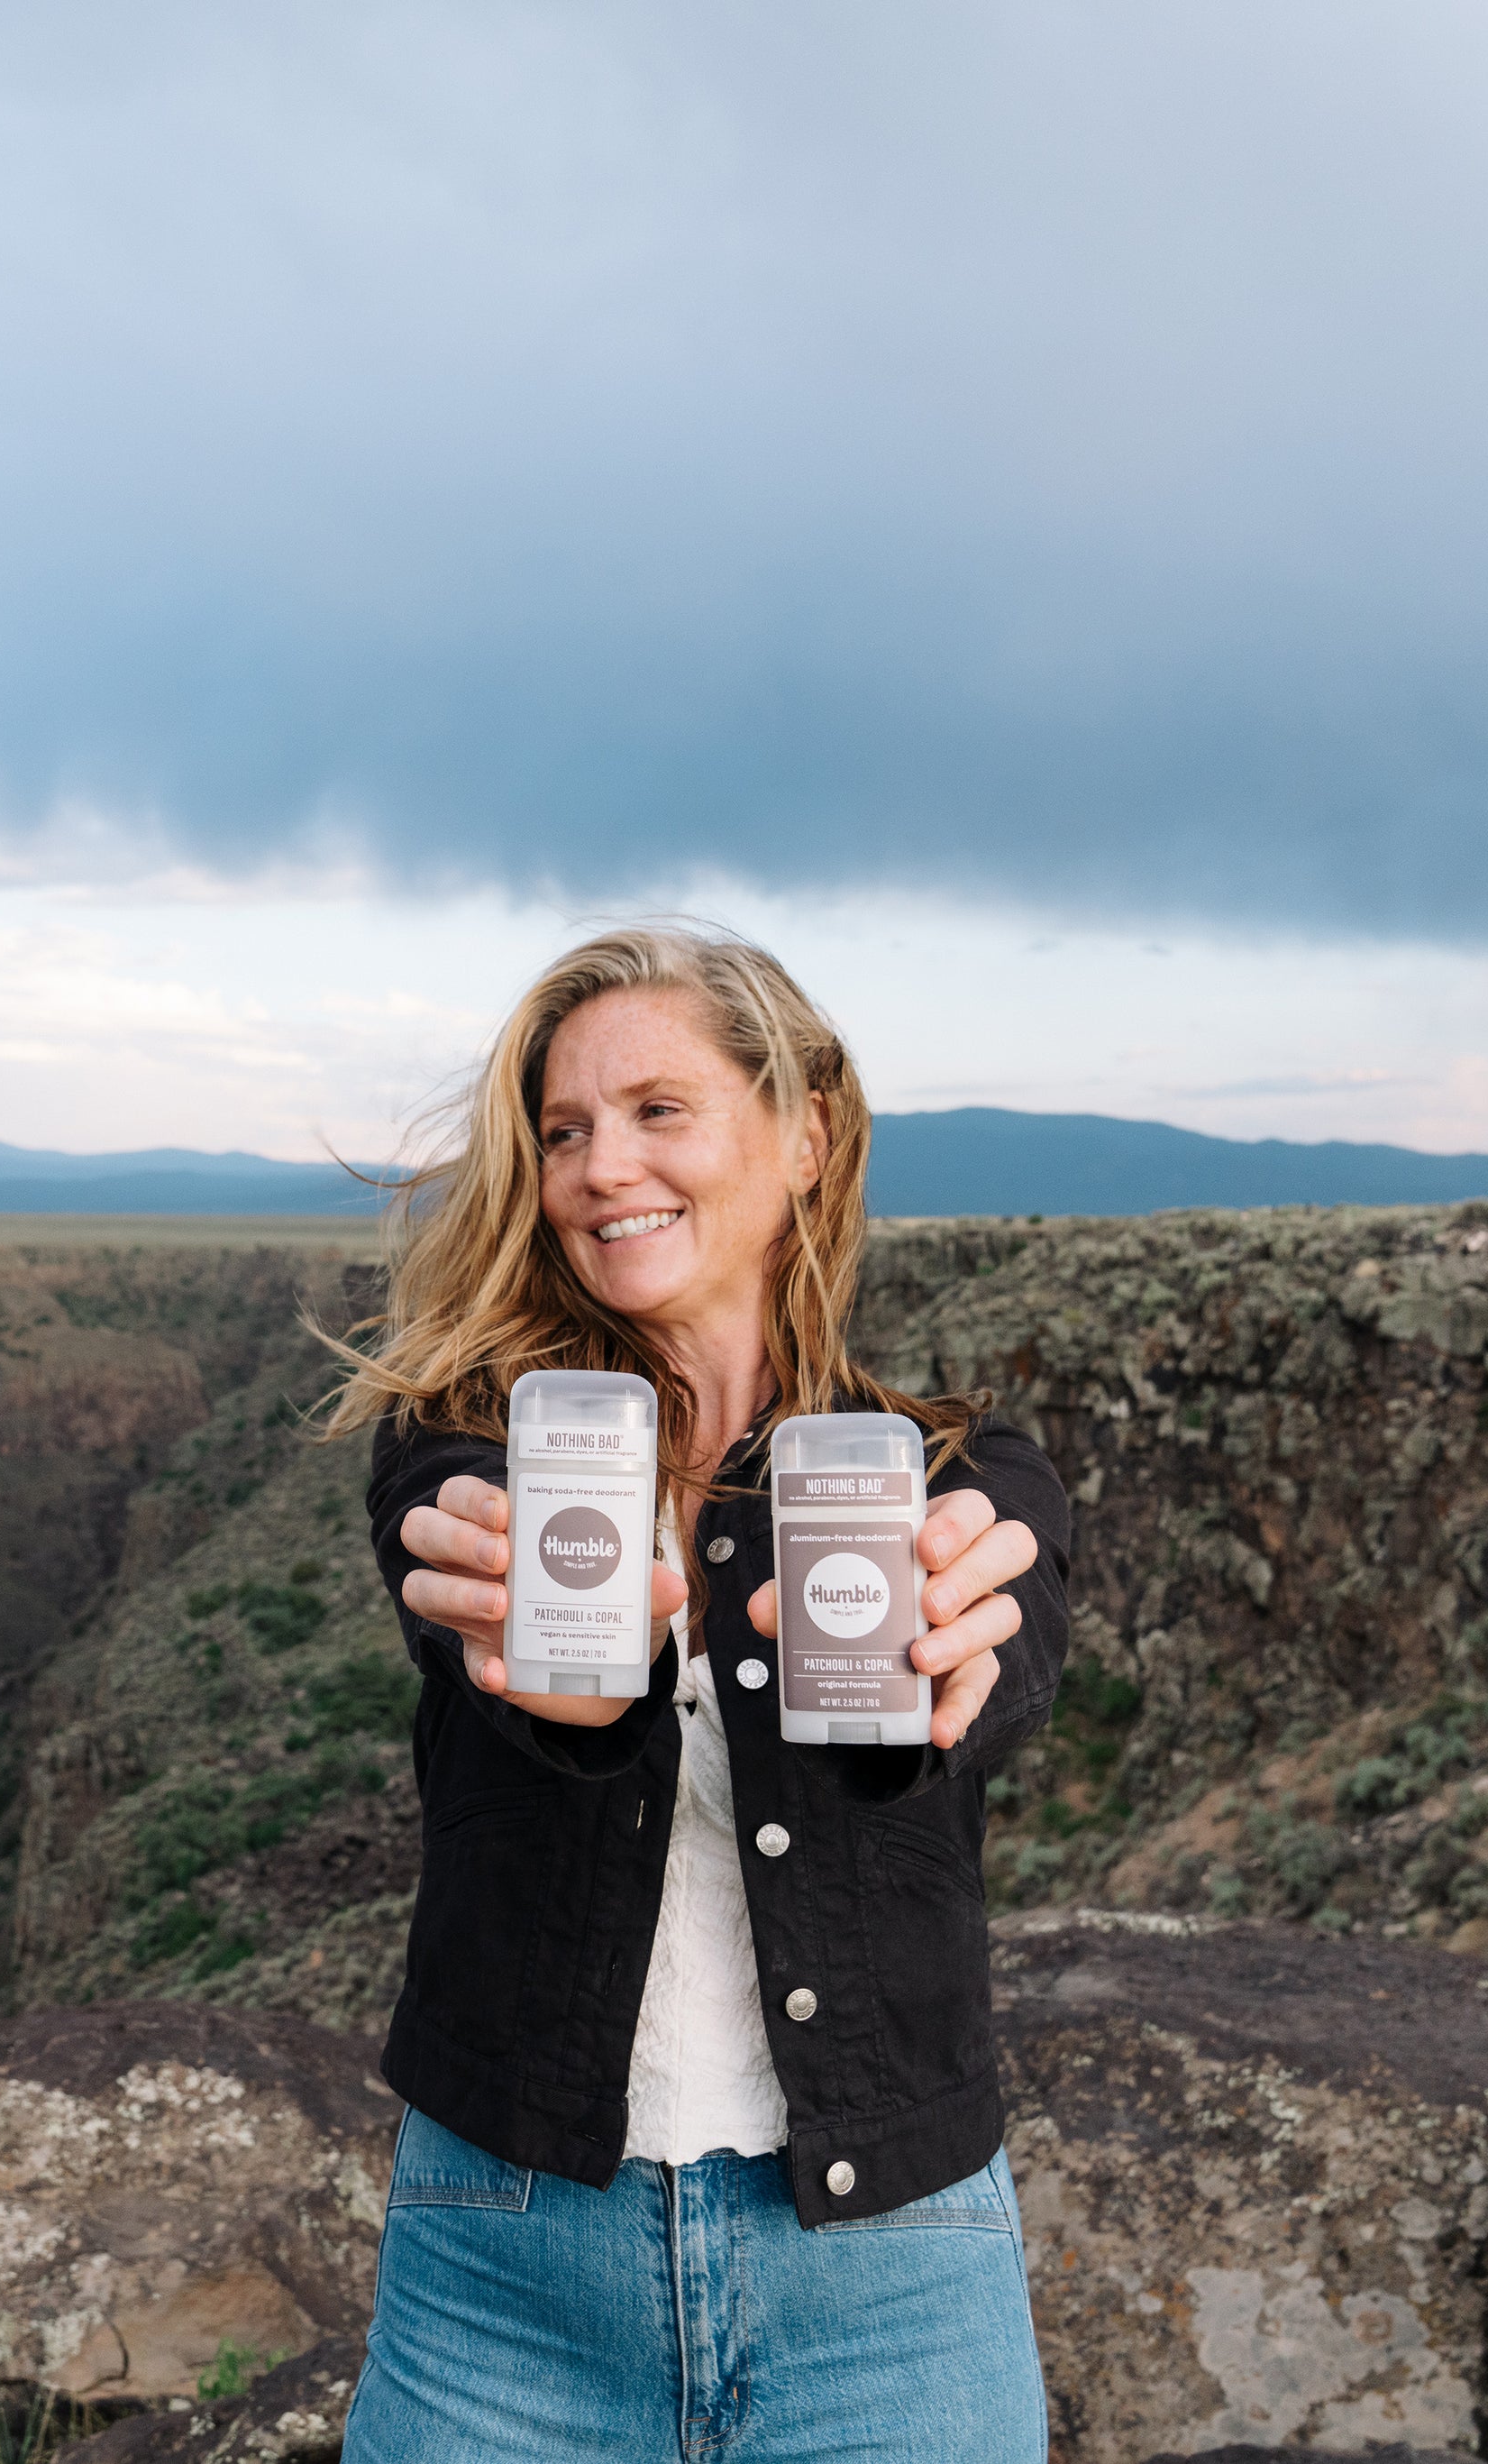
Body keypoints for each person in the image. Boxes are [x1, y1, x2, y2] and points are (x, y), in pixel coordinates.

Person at [321, 924, 1069, 2461]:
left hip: (890, 2286)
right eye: (564, 1132)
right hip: (508, 2264)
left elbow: (1007, 1642)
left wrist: (948, 1659)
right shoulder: (464, 1447)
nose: (602, 1166)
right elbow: (481, 1578)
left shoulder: (957, 1475)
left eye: (659, 1110)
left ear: (805, 1135)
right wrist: (553, 1669)